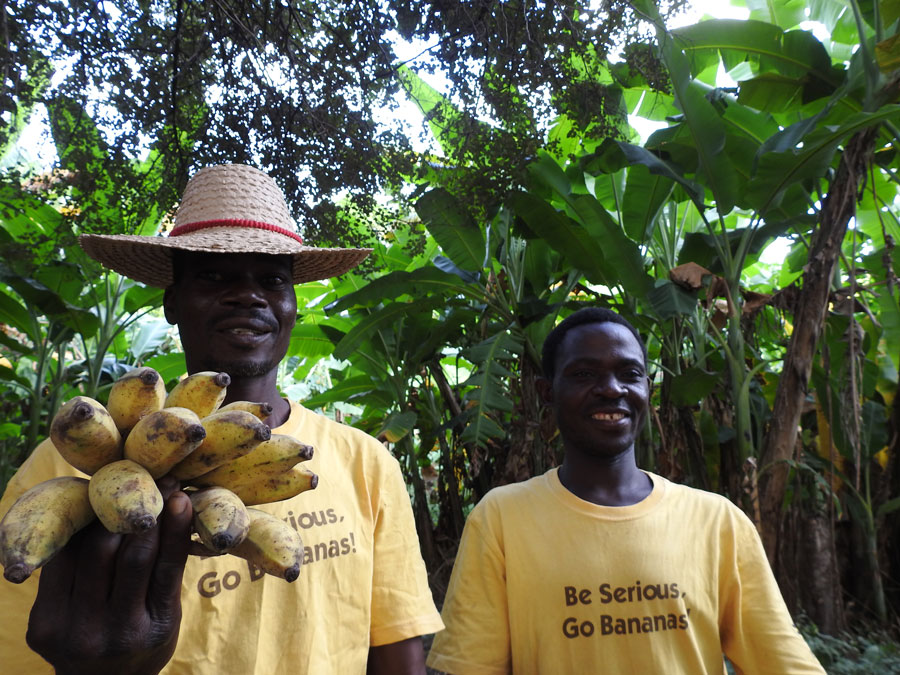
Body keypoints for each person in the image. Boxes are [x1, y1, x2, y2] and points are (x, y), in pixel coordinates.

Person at [0, 164, 444, 674]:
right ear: (172, 303)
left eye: (272, 279)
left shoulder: (365, 463)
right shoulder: (62, 467)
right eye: (214, 275)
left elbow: (398, 653)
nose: (247, 294)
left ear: (293, 307)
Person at [426, 307, 825, 674]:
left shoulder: (716, 521)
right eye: (584, 374)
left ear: (647, 390)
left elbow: (783, 661)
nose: (611, 388)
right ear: (547, 392)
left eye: (629, 374)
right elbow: (472, 665)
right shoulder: (502, 518)